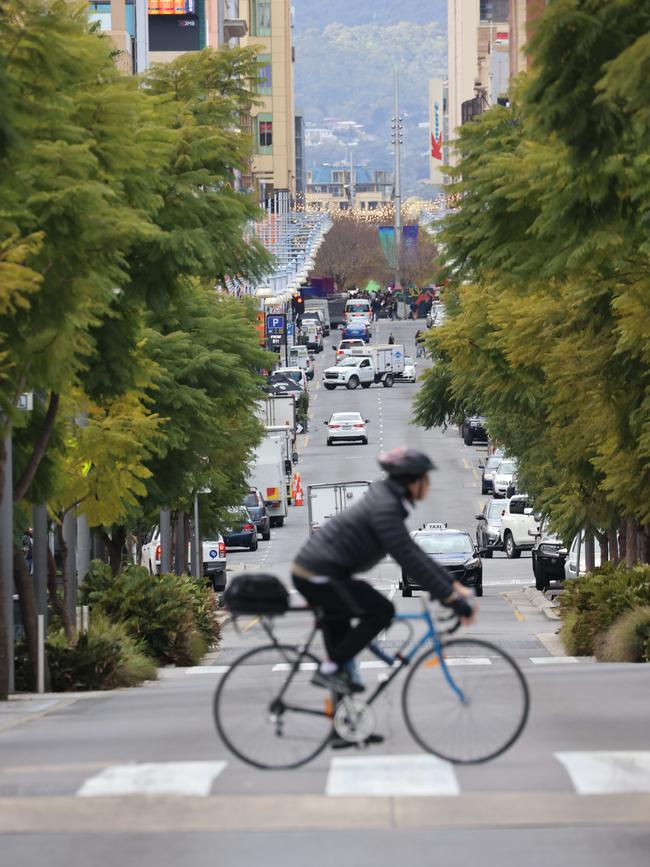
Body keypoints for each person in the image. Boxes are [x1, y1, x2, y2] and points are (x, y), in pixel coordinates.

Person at [292, 448, 477, 700]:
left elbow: (414, 551)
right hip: (318, 575)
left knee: (344, 654)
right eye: (426, 478)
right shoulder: (385, 508)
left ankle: (344, 726)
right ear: (412, 480)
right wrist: (450, 598)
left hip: (326, 573)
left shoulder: (387, 500)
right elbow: (408, 558)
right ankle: (329, 668)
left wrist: (452, 586)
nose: (429, 484)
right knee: (381, 611)